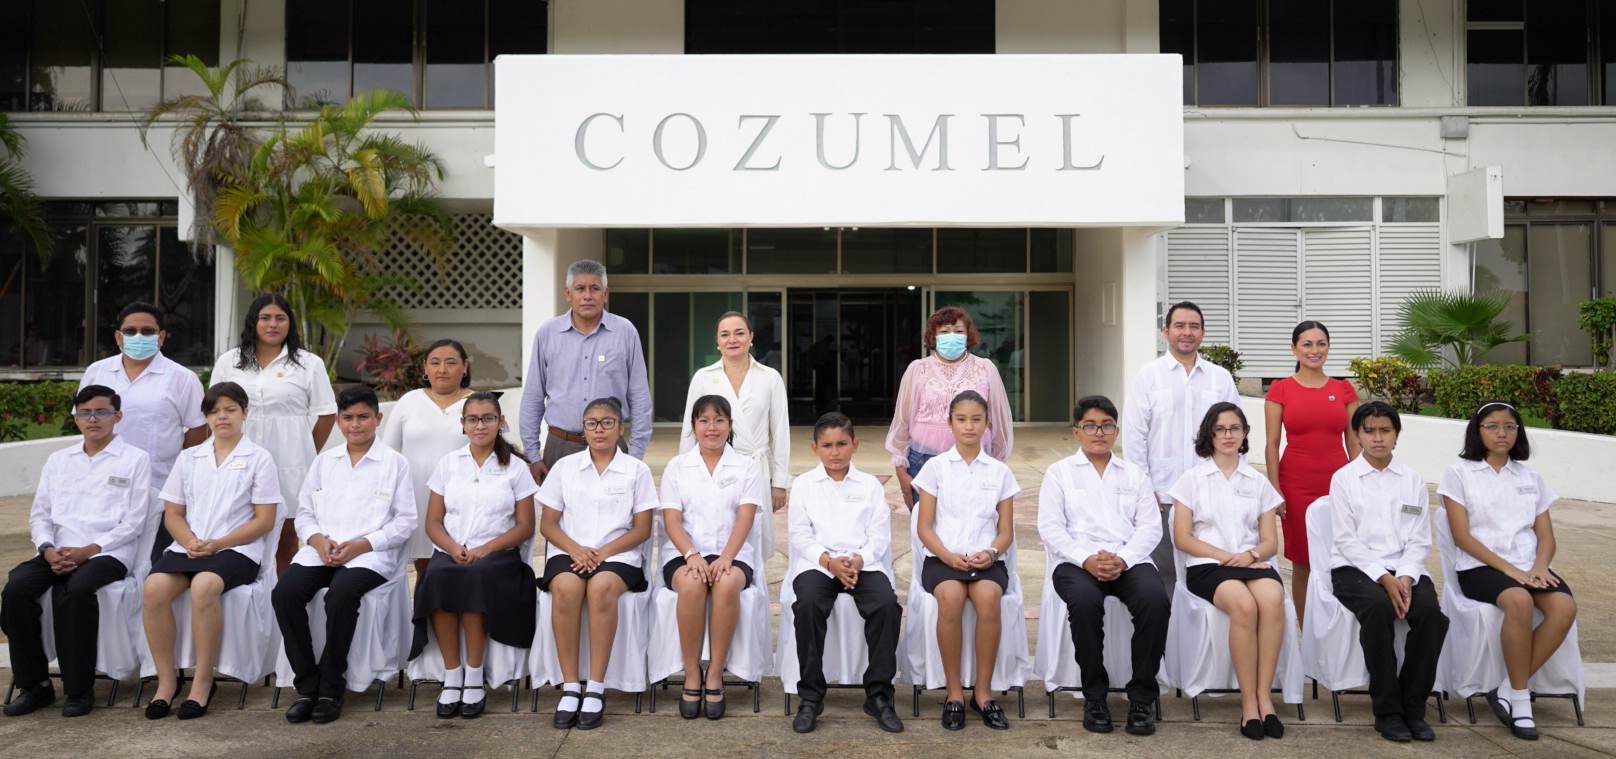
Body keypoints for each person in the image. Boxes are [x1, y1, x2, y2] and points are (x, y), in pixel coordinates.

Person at [2, 385, 152, 717]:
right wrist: (46, 548)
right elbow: (40, 514)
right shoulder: (59, 460)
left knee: (77, 590)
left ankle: (79, 689)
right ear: (75, 418)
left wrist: (90, 550)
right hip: (58, 550)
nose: (93, 418)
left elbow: (134, 522)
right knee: (16, 589)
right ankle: (35, 685)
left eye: (101, 411)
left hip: (109, 553)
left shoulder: (135, 460)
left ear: (118, 416)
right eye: (84, 412)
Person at [273, 385, 416, 725]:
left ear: (378, 419)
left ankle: (331, 688)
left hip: (368, 557)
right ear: (338, 421)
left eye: (364, 417)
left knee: (340, 596)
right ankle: (307, 685)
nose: (356, 424)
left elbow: (406, 520)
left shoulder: (395, 463)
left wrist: (361, 545)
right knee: (285, 593)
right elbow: (305, 513)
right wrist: (319, 541)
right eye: (348, 417)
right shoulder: (324, 461)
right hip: (320, 552)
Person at [141, 382, 281, 720]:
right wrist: (189, 540)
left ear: (245, 413)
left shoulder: (259, 458)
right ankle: (167, 681)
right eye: (215, 410)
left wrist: (217, 544)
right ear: (206, 416)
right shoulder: (190, 457)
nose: (223, 417)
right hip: (190, 544)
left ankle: (203, 682)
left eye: (231, 409)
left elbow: (264, 520)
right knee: (153, 588)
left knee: (204, 586)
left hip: (237, 549)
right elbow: (173, 512)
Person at [1438, 400, 1577, 742]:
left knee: (1564, 608)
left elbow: (1545, 536)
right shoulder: (1458, 474)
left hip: (1530, 566)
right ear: (1477, 430)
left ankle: (1503, 689)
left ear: (1519, 431)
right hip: (1481, 567)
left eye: (1510, 426)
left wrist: (1539, 566)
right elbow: (1462, 537)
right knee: (1519, 601)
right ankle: (1520, 701)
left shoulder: (1530, 476)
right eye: (1493, 426)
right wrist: (1513, 571)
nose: (1502, 433)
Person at [1038, 394, 1169, 737]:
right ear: (1076, 432)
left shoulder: (1134, 473)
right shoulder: (1059, 473)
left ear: (1117, 431)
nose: (1100, 432)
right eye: (1091, 426)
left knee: (1155, 600)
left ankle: (1141, 699)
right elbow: (1051, 527)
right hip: (1077, 562)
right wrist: (1087, 559)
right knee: (1084, 602)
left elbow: (1151, 526)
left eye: (1107, 425)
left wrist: (1122, 559)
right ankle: (1094, 697)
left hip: (1128, 559)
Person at [412, 391, 538, 720]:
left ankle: (474, 675)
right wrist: (453, 547)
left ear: (500, 422)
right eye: (473, 419)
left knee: (475, 576)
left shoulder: (516, 467)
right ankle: (452, 676)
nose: (480, 425)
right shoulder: (449, 464)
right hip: (452, 549)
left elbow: (525, 526)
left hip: (497, 554)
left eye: (488, 418)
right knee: (437, 575)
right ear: (463, 424)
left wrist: (487, 548)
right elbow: (433, 521)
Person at [1326, 401, 1447, 743]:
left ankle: (1413, 707)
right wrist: (1383, 577)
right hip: (1355, 569)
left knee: (1431, 616)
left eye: (1385, 431)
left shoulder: (1412, 480)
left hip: (1405, 569)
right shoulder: (1344, 479)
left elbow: (1420, 539)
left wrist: (1405, 577)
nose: (1378, 438)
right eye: (1369, 431)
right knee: (1378, 609)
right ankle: (1388, 711)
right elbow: (1346, 540)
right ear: (1357, 435)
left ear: (1396, 435)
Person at [535, 397, 656, 730]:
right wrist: (575, 549)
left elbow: (642, 529)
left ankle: (597, 687)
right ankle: (571, 685)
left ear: (620, 427)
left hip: (618, 555)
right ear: (583, 429)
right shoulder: (565, 468)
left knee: (602, 588)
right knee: (566, 588)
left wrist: (601, 553)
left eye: (607, 422)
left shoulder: (636, 469)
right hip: (569, 551)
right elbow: (548, 525)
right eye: (591, 423)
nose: (599, 429)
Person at [1169, 401, 1288, 740]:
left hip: (1251, 562)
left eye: (1234, 428)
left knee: (1273, 598)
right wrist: (1225, 556)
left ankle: (1266, 698)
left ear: (1245, 433)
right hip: (1208, 565)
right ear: (1209, 434)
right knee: (1244, 606)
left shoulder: (1258, 481)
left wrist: (1249, 555)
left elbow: (1270, 543)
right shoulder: (1191, 479)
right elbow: (1182, 538)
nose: (1227, 435)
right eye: (1220, 429)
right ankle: (1248, 705)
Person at [787, 412, 904, 735]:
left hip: (861, 564)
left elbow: (879, 536)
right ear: (815, 448)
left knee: (886, 606)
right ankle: (810, 698)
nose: (834, 452)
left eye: (841, 444)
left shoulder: (869, 485)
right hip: (818, 564)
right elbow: (799, 536)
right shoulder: (804, 485)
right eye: (827, 445)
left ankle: (879, 695)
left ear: (855, 445)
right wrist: (829, 562)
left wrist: (857, 561)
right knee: (808, 605)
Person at [911, 390, 1018, 731]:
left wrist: (991, 553)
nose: (969, 426)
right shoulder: (935, 468)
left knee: (988, 598)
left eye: (976, 419)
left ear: (988, 424)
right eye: (961, 419)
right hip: (943, 558)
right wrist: (947, 556)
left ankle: (983, 693)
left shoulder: (1000, 472)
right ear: (950, 423)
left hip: (986, 559)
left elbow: (1005, 531)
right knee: (952, 597)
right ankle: (954, 692)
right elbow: (924, 526)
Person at [211, 293, 338, 576]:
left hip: (291, 462)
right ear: (253, 322)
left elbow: (328, 413)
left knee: (286, 539)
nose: (273, 324)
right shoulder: (230, 362)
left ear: (290, 323)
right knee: (236, 531)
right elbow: (214, 408)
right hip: (238, 458)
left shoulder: (308, 363)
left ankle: (280, 608)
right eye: (265, 318)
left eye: (280, 318)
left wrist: (307, 451)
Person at [1120, 301, 1240, 598]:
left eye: (1194, 327)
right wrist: (1144, 488)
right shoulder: (1148, 376)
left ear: (1202, 332)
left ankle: (1201, 641)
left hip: (1211, 490)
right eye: (1180, 326)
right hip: (1163, 493)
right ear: (1166, 331)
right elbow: (1134, 437)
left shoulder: (1219, 378)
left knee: (1209, 565)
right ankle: (1165, 641)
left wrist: (1234, 482)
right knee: (1164, 573)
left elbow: (1237, 434)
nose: (1187, 333)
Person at [661, 395, 765, 720]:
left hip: (732, 553)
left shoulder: (746, 466)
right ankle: (692, 674)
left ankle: (716, 675)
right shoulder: (677, 467)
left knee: (725, 583)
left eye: (719, 420)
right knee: (692, 585)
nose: (712, 427)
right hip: (683, 552)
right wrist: (691, 555)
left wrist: (726, 557)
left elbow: (745, 518)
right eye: (704, 420)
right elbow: (671, 520)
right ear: (693, 426)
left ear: (730, 426)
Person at [79, 301, 208, 563]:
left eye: (148, 331)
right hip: (103, 484)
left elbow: (198, 429)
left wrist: (177, 474)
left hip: (160, 488)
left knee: (154, 563)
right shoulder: (97, 372)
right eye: (130, 331)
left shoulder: (182, 378)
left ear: (161, 338)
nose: (139, 336)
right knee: (102, 560)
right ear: (118, 336)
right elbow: (83, 419)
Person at [520, 259, 653, 482]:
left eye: (595, 288)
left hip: (612, 447)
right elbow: (533, 396)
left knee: (615, 514)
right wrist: (533, 456)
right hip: (560, 447)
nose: (587, 295)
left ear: (606, 294)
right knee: (560, 515)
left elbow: (639, 396)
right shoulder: (547, 333)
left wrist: (636, 454)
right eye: (580, 288)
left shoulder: (625, 332)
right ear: (568, 293)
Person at [1263, 320, 1360, 625]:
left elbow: (1355, 443)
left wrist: (1358, 485)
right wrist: (1275, 489)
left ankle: (1339, 627)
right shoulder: (1280, 389)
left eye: (1321, 344)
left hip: (1338, 485)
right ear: (1294, 349)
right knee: (1302, 563)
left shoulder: (1343, 389)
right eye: (1307, 344)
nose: (1314, 350)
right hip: (1296, 485)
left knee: (1340, 558)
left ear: (1328, 348)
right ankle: (1308, 636)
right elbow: (1272, 444)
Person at [680, 311, 791, 562]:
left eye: (740, 333)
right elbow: (690, 429)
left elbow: (781, 430)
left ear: (751, 337)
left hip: (755, 467)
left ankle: (751, 591)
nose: (733, 339)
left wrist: (780, 481)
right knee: (716, 530)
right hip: (712, 467)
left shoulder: (769, 377)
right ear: (717, 341)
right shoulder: (703, 377)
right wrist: (683, 474)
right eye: (725, 334)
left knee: (754, 535)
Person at [887, 306, 1014, 510]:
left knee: (973, 524)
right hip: (923, 460)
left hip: (975, 460)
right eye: (944, 332)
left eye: (958, 331)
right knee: (927, 527)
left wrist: (998, 464)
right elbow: (903, 420)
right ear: (933, 336)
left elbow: (998, 420)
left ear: (969, 335)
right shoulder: (918, 369)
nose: (951, 336)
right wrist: (901, 469)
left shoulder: (985, 368)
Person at [381, 339, 473, 580]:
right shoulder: (409, 401)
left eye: (451, 363)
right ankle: (422, 617)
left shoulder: (481, 402)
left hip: (463, 496)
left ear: (465, 367)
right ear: (424, 368)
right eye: (435, 363)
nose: (442, 369)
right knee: (424, 568)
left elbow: (497, 452)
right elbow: (388, 452)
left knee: (459, 567)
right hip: (415, 495)